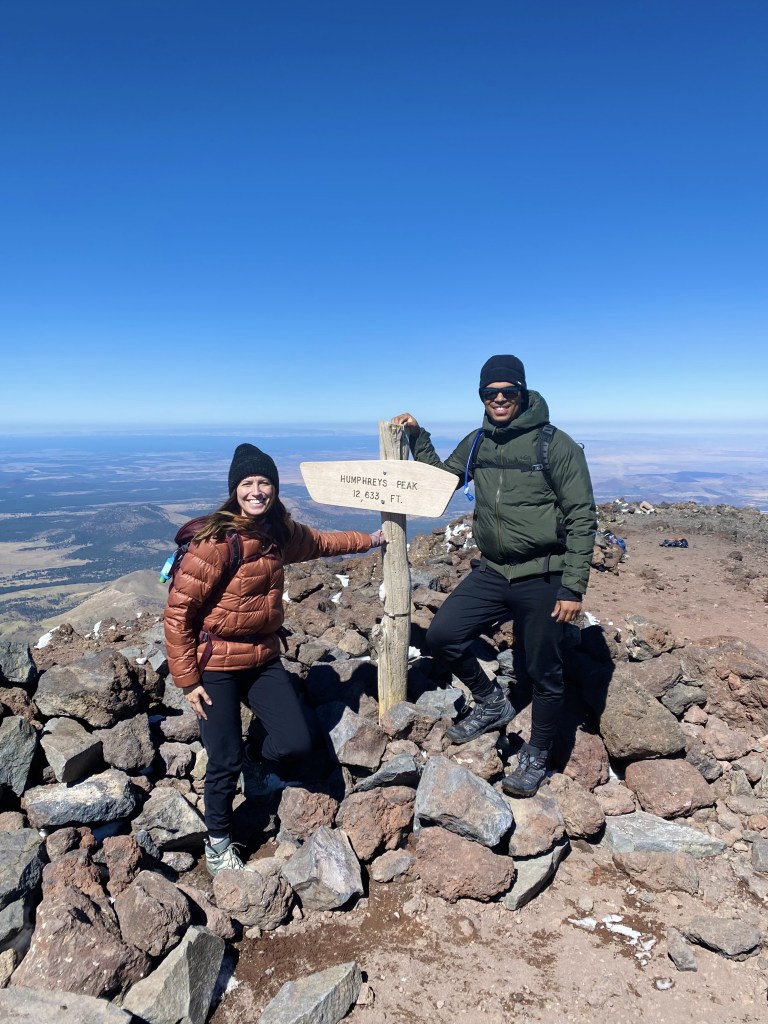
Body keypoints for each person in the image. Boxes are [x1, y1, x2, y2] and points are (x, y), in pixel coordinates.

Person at [164, 442, 385, 874]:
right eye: (247, 483)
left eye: (264, 482)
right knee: (222, 759)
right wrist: (189, 682)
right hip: (215, 665)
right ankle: (219, 840)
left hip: (261, 656)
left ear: (275, 488)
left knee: (297, 740)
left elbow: (323, 542)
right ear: (234, 490)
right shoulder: (215, 542)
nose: (256, 490)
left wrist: (371, 540)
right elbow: (177, 615)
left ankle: (257, 759)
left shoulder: (278, 532)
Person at [393, 354, 596, 797]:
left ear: (522, 393)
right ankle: (492, 702)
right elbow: (441, 480)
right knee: (442, 636)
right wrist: (416, 436)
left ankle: (538, 752)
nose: (500, 399)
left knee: (544, 671)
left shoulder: (555, 445)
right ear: (482, 397)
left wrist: (573, 585)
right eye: (491, 393)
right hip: (493, 570)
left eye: (508, 391)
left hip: (544, 574)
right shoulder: (479, 442)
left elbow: (582, 517)